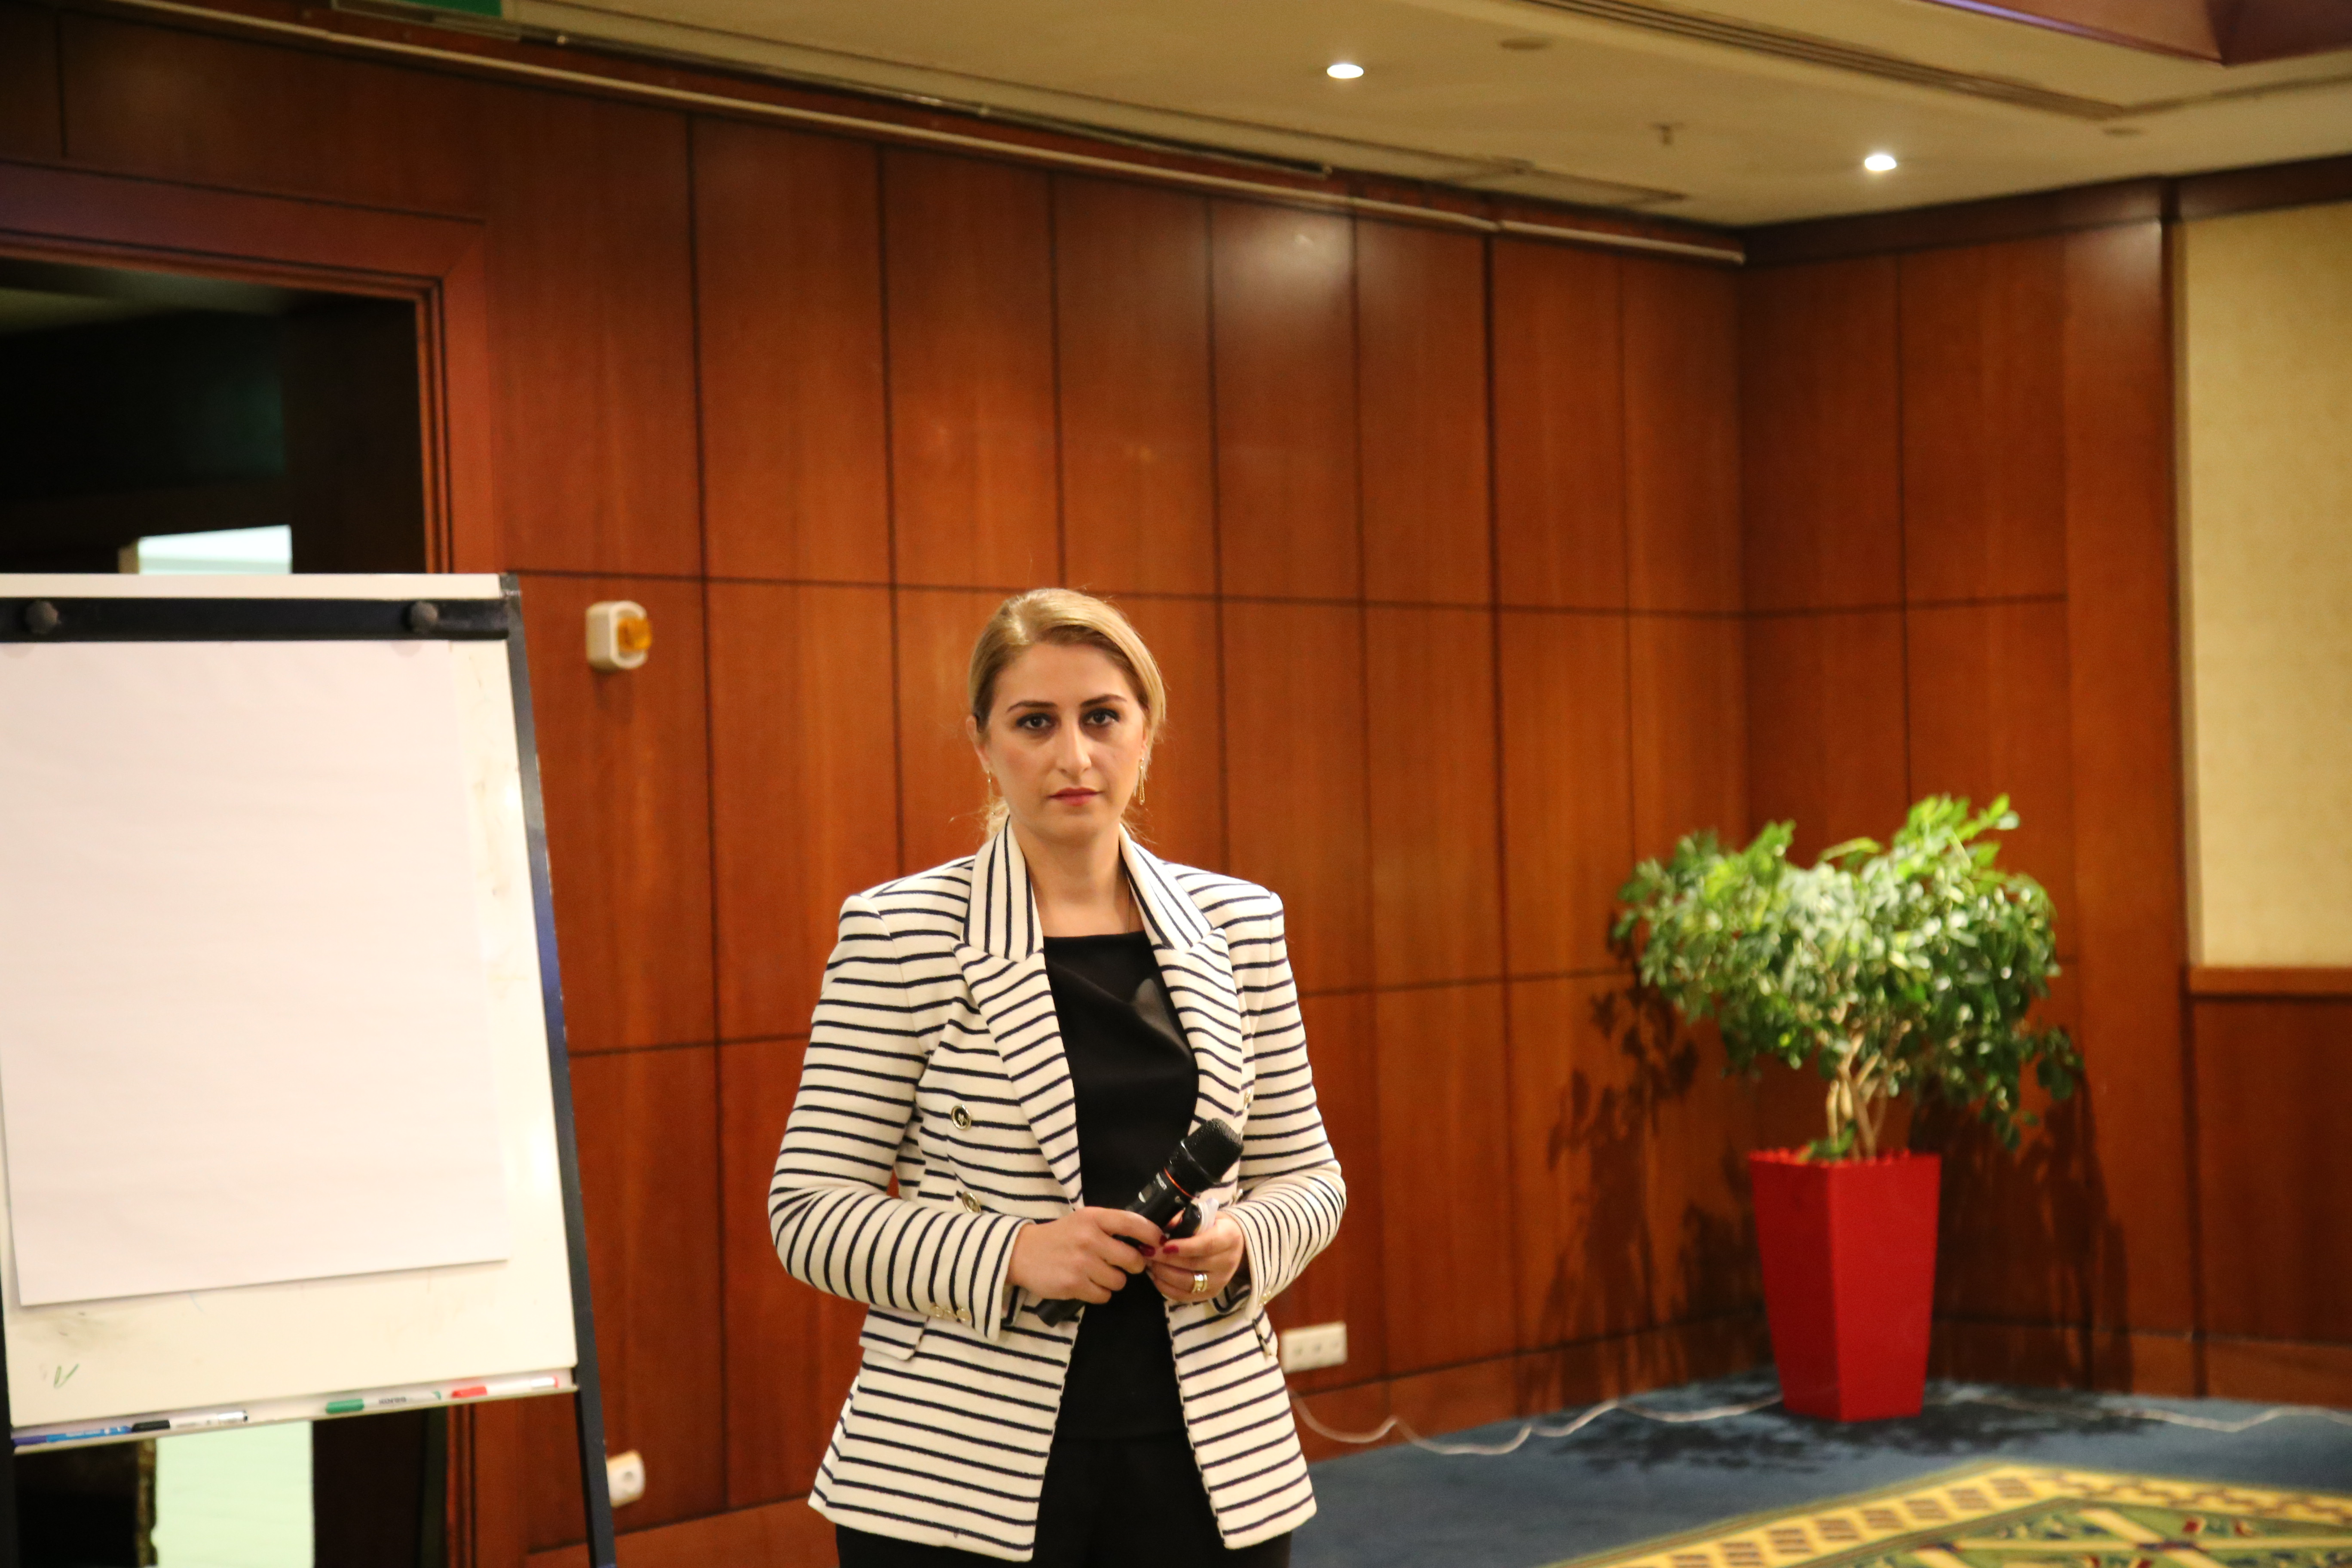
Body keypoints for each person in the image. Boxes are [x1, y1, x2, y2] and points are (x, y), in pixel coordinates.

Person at [768, 588, 1347, 1566]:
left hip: (1209, 1460)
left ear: (1145, 733)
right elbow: (809, 1214)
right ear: (984, 743)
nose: (1074, 756)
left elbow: (1311, 1179)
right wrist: (1014, 1252)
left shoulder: (1241, 922)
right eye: (1035, 722)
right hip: (955, 1469)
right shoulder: (901, 933)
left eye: (1102, 718)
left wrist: (1241, 1243)